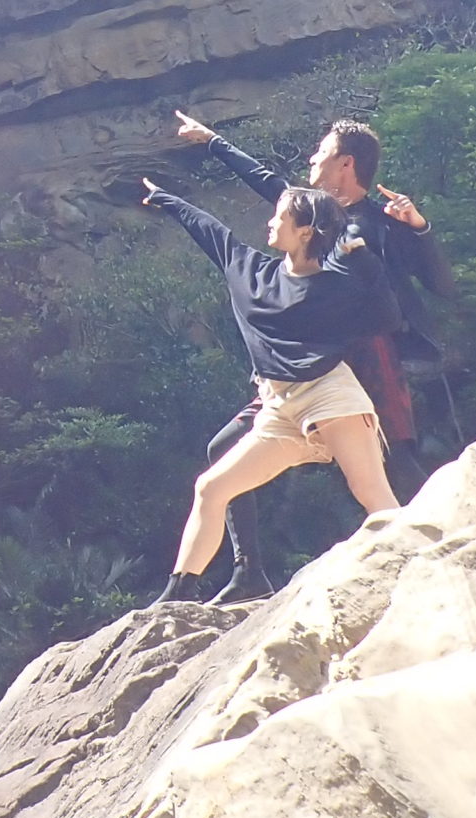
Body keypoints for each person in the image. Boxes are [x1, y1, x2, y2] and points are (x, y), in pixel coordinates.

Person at [170, 111, 456, 600]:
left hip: (366, 357)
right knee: (223, 451)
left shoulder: (382, 222)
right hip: (303, 365)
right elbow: (268, 182)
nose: (311, 158)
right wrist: (213, 141)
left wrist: (420, 228)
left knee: (396, 461)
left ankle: (442, 547)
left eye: (320, 153)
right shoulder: (316, 214)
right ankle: (249, 572)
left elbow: (442, 286)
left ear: (345, 163)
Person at [138, 174, 401, 605]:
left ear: (305, 231)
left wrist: (367, 262)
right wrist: (166, 198)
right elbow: (210, 230)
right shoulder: (251, 271)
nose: (270, 222)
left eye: (280, 216)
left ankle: (422, 559)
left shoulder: (334, 286)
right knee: (211, 488)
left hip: (330, 395)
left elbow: (388, 318)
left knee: (372, 493)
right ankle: (177, 594)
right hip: (278, 407)